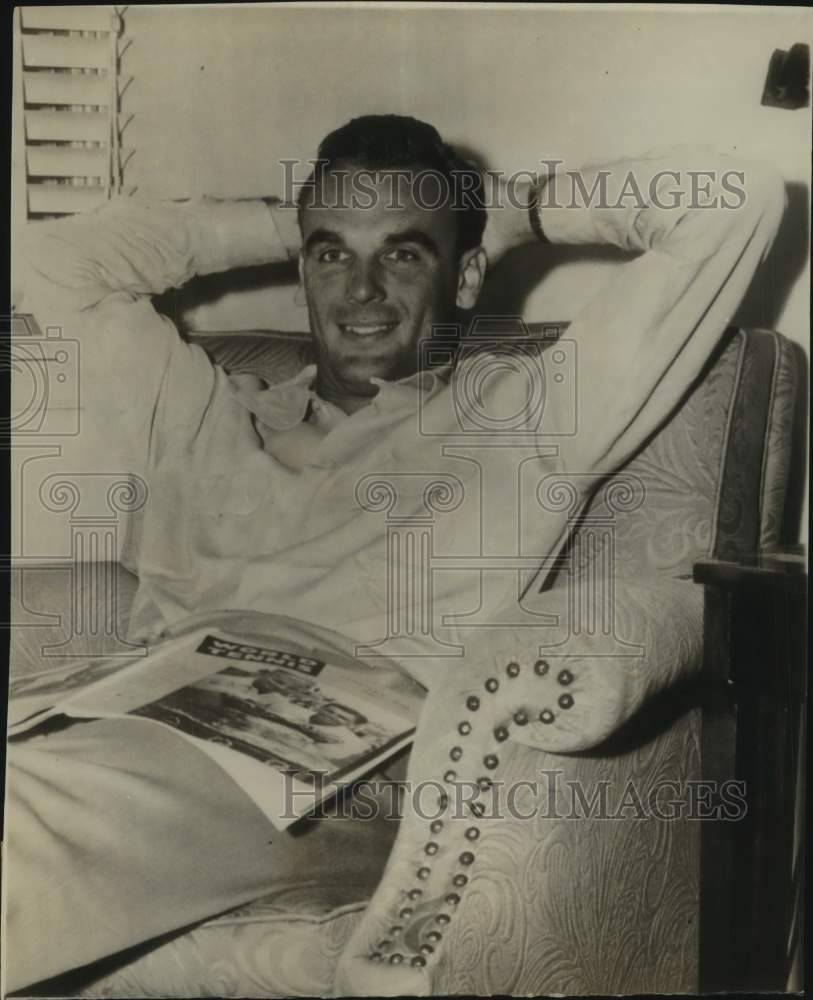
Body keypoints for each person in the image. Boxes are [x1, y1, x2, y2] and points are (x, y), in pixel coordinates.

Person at [5, 115, 785, 994]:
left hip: (333, 769)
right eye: (332, 255)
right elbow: (56, 264)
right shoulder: (200, 412)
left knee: (27, 812)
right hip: (126, 720)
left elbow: (734, 203)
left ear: (465, 273)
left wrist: (511, 212)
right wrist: (297, 221)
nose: (361, 290)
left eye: (404, 254)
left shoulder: (521, 419)